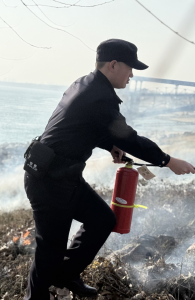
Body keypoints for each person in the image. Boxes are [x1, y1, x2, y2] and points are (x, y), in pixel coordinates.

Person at [23, 39, 195, 299]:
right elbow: (129, 137)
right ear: (114, 65)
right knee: (50, 250)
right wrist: (167, 160)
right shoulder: (100, 97)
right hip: (49, 181)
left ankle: (66, 274)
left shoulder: (85, 84)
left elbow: (86, 127)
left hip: (63, 177)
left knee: (102, 219)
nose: (132, 75)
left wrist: (109, 145)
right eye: (130, 68)